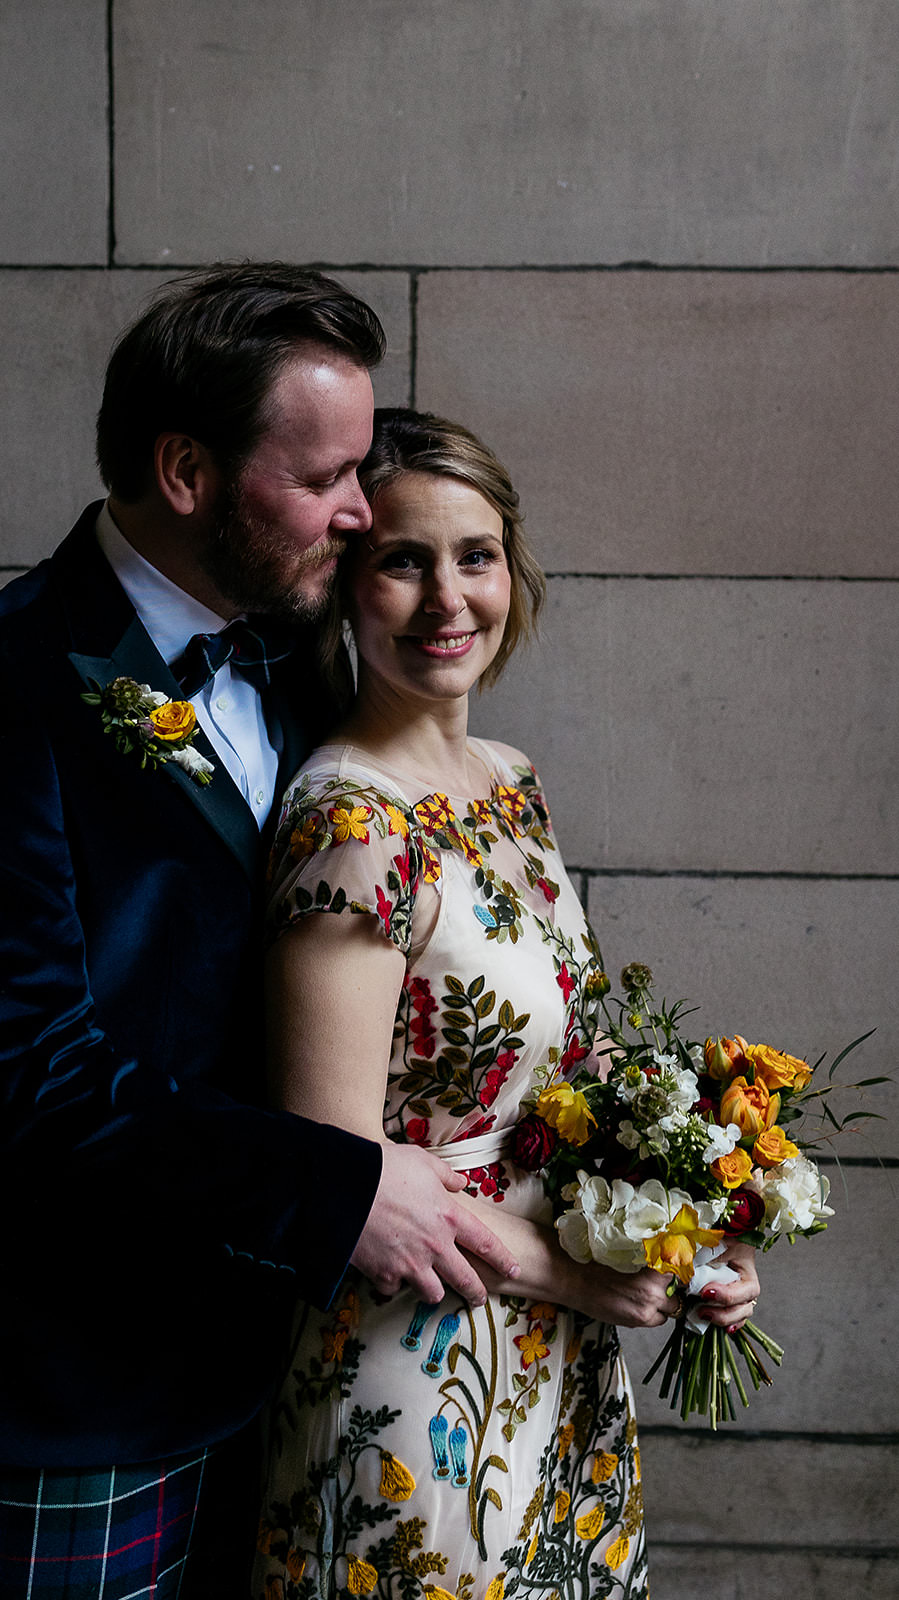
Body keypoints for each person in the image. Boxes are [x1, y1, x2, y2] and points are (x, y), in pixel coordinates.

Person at [0, 268, 518, 1598]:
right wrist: (335, 1192)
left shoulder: (296, 658)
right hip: (81, 1374)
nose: (358, 509)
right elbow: (20, 1071)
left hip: (290, 1356)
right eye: (324, 476)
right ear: (184, 471)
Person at [254, 408, 761, 1598]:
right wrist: (588, 1278)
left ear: (510, 571)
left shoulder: (507, 779)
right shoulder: (348, 823)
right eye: (400, 560)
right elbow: (338, 1169)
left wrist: (692, 1228)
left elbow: (555, 1083)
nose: (445, 598)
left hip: (555, 1351)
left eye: (472, 555)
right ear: (341, 583)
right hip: (418, 1380)